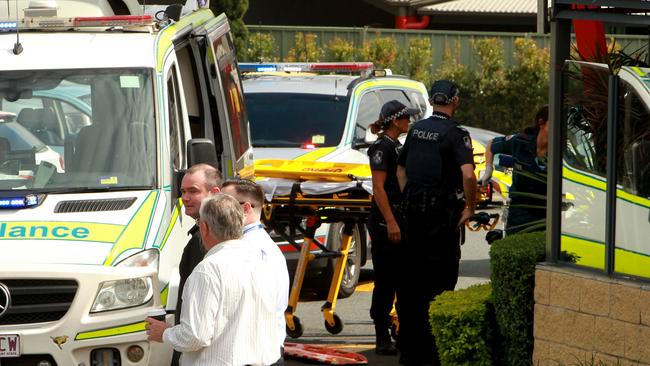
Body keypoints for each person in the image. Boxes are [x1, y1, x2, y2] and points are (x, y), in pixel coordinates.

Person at [146, 193, 283, 366]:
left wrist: (165, 333)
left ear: (204, 227)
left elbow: (195, 336)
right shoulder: (260, 262)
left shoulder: (207, 270)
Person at [395, 79, 477, 366]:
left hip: (413, 217)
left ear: (432, 100)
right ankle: (433, 351)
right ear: (454, 100)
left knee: (411, 283)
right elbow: (468, 175)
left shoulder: (416, 130)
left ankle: (408, 349)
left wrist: (411, 196)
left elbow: (401, 168)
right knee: (440, 283)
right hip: (441, 221)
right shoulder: (456, 135)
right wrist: (471, 206)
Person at [221, 179, 290, 365]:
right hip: (262, 351)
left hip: (254, 355)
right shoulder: (256, 244)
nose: (216, 210)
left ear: (246, 208)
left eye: (224, 204)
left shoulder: (249, 250)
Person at [366, 100, 416, 355]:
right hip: (386, 221)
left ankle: (399, 331)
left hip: (398, 218)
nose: (409, 121)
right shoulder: (382, 148)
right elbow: (378, 189)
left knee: (401, 278)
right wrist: (392, 222)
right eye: (406, 118)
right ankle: (381, 335)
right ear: (396, 120)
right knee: (386, 280)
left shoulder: (396, 146)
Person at [173, 163, 221, 365]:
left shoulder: (207, 240)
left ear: (214, 193)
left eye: (193, 191)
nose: (185, 198)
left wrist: (168, 334)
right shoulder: (204, 235)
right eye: (183, 191)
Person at [478, 105, 549, 235]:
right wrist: (489, 169)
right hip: (520, 210)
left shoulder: (563, 152)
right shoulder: (521, 142)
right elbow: (491, 144)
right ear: (541, 123)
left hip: (546, 211)